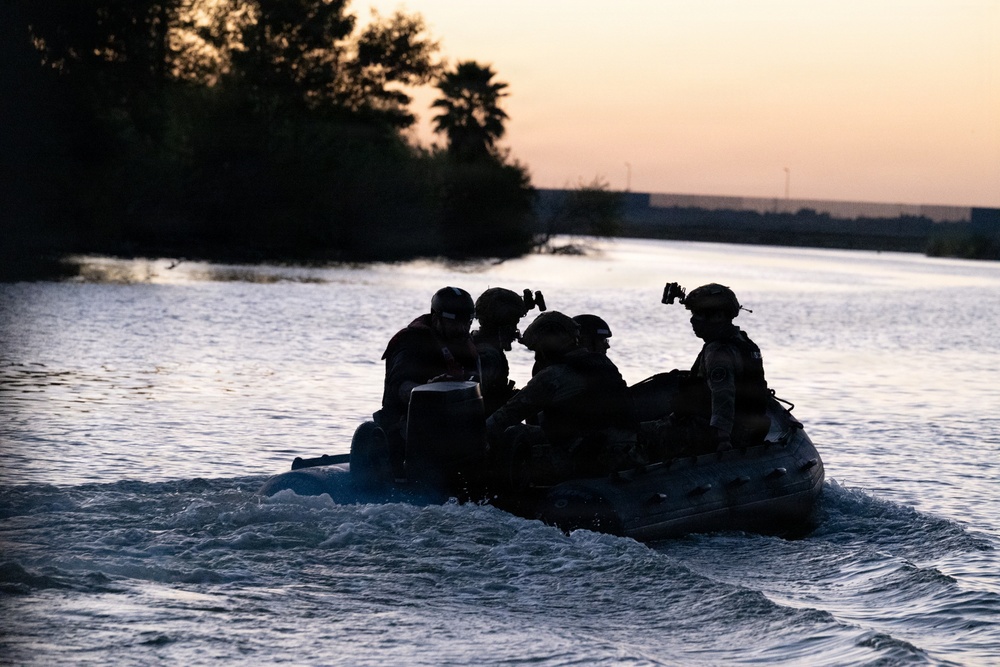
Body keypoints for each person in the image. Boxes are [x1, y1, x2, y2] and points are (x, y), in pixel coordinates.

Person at [485, 311, 644, 485]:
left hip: (588, 460)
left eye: (537, 350)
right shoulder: (603, 364)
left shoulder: (554, 375)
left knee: (514, 434)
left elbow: (505, 416)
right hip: (627, 452)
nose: (537, 357)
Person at [378, 286, 482, 476]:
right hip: (406, 428)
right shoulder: (411, 342)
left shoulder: (467, 345)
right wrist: (427, 392)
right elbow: (400, 387)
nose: (462, 329)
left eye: (466, 323)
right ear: (436, 318)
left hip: (455, 431)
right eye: (455, 323)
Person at [658, 283, 771, 456]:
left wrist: (723, 439)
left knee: (641, 434)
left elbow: (723, 395)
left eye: (699, 314)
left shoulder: (719, 351)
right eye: (692, 313)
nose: (692, 320)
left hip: (721, 432)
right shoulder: (743, 342)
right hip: (750, 429)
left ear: (718, 316)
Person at [473, 287, 529, 415]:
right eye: (514, 323)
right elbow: (480, 399)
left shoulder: (478, 342)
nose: (515, 329)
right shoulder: (489, 355)